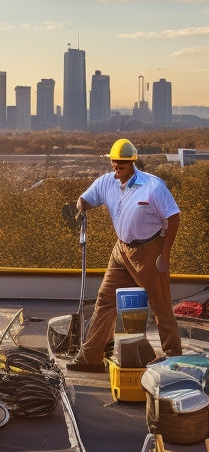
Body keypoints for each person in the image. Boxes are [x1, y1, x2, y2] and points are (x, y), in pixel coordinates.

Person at [67, 138, 182, 372]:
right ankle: (91, 357)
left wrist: (165, 256)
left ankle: (172, 357)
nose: (116, 169)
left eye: (121, 165)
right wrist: (79, 208)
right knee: (105, 300)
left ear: (132, 164)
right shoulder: (107, 182)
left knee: (160, 305)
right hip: (121, 251)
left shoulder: (153, 186)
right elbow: (85, 199)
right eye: (113, 164)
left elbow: (173, 218)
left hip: (150, 250)